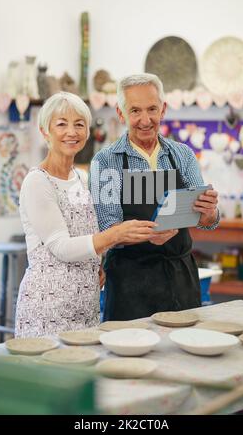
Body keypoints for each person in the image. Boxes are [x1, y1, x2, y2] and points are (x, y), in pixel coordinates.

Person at [15, 92, 156, 337]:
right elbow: (61, 246)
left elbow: (88, 232)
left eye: (79, 124)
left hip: (85, 307)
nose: (72, 132)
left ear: (88, 132)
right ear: (44, 131)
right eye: (61, 124)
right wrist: (115, 235)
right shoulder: (38, 182)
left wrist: (97, 263)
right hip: (47, 309)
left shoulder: (83, 178)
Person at [90, 74, 219, 321]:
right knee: (128, 356)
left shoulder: (182, 155)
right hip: (130, 280)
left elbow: (207, 220)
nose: (145, 120)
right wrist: (149, 235)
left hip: (181, 277)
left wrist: (209, 212)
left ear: (163, 110)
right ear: (120, 113)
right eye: (135, 111)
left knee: (182, 354)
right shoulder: (106, 162)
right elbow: (107, 228)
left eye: (152, 109)